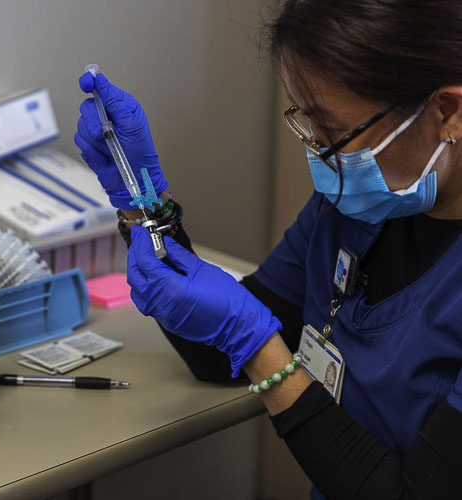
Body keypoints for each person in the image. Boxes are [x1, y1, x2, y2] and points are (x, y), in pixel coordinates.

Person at [74, 1, 462, 498]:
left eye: (334, 131)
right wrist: (141, 200)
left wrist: (259, 350)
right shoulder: (352, 209)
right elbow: (216, 356)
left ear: (448, 112)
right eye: (307, 121)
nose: (317, 150)